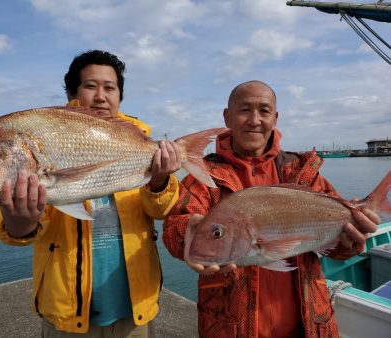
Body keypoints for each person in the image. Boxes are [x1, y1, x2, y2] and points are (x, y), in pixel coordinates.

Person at [162, 80, 380, 338]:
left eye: (264, 111)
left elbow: (340, 248)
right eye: (244, 110)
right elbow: (176, 224)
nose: (254, 120)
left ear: (275, 118)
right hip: (230, 330)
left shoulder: (302, 173)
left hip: (309, 327)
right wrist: (189, 232)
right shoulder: (204, 175)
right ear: (227, 117)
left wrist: (353, 239)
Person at [0, 50, 182, 337]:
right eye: (90, 86)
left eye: (110, 88)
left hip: (135, 308)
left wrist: (159, 180)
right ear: (72, 92)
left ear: (119, 96)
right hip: (67, 313)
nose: (101, 96)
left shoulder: (142, 143)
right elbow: (17, 231)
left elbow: (160, 211)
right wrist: (20, 221)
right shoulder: (43, 138)